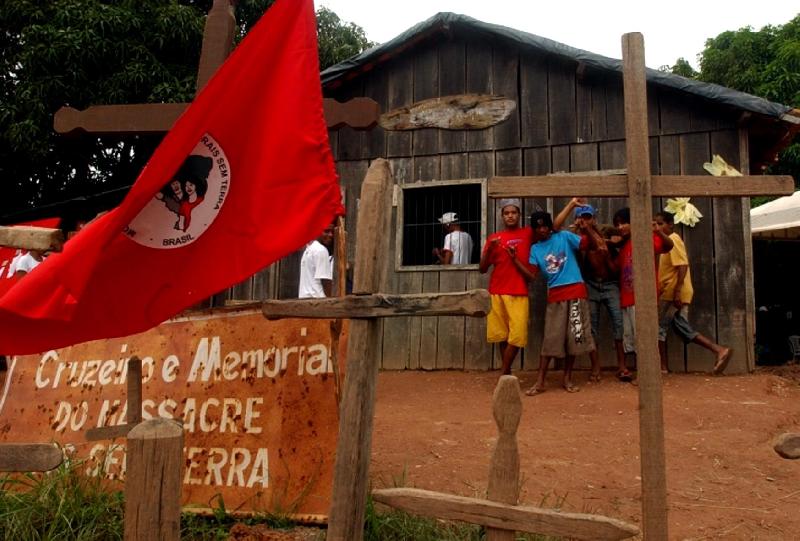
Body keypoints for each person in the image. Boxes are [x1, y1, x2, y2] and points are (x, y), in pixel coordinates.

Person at [511, 199, 602, 395]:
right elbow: (532, 275)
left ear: (550, 226)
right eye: (538, 227)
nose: (542, 230)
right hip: (555, 296)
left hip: (576, 292)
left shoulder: (564, 237)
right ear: (534, 230)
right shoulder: (535, 249)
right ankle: (540, 381)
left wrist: (586, 229)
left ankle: (567, 378)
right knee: (551, 339)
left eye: (545, 226)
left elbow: (591, 245)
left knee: (574, 338)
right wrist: (515, 260)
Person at [655, 211, 732, 374]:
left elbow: (682, 266)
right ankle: (718, 350)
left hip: (673, 292)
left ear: (670, 225)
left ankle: (662, 367)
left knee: (659, 328)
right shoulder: (665, 243)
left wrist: (676, 292)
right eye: (656, 224)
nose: (657, 227)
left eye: (661, 223)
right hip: (673, 291)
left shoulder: (673, 240)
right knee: (680, 326)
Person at [571, 205, 629, 382]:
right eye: (581, 218)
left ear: (593, 218)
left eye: (588, 217)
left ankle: (622, 365)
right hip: (590, 284)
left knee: (619, 323)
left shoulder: (604, 233)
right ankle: (595, 366)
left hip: (610, 283)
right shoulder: (575, 239)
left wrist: (590, 229)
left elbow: (616, 240)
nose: (584, 221)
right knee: (592, 326)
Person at [479, 199, 535, 375]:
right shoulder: (494, 238)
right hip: (496, 291)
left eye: (513, 212)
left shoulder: (528, 233)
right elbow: (482, 269)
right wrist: (489, 250)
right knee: (501, 336)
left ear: (519, 215)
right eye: (506, 213)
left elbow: (550, 228)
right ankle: (508, 374)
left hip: (518, 291)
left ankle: (504, 373)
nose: (510, 216)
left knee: (517, 335)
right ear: (502, 216)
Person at [612, 207, 674, 364]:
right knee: (632, 338)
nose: (620, 228)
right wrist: (605, 246)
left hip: (642, 298)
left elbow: (668, 246)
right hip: (627, 299)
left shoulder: (647, 238)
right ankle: (642, 371)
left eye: (624, 223)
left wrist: (658, 231)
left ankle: (648, 374)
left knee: (644, 337)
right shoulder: (625, 246)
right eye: (617, 225)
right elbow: (614, 268)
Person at [298, 225, 334, 298]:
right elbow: (325, 281)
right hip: (318, 300)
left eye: (332, 232)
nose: (331, 235)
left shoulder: (308, 250)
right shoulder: (321, 250)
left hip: (305, 300)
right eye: (326, 231)